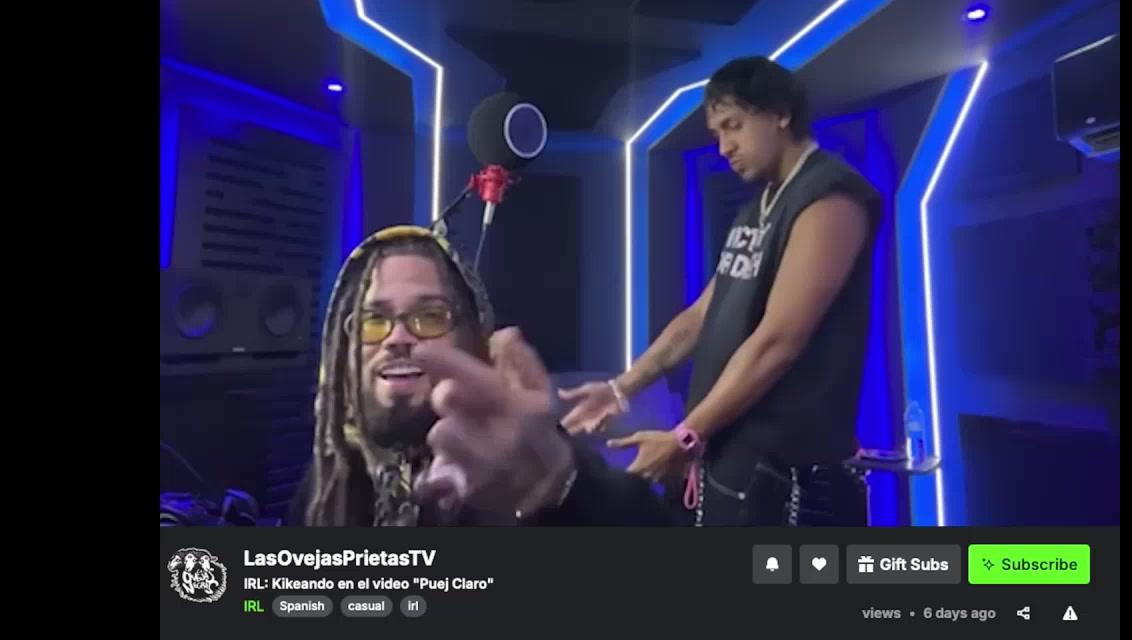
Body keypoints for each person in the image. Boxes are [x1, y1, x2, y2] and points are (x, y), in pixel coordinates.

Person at [560, 56, 879, 527]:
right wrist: (619, 389)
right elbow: (700, 316)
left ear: (780, 113)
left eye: (733, 126)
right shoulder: (755, 209)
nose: (724, 147)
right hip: (729, 461)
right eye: (717, 134)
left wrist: (685, 435)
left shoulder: (830, 196)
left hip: (789, 480)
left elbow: (778, 341)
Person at [289, 225, 671, 527]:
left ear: (472, 342)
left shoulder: (525, 454)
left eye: (430, 316)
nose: (397, 337)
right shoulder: (328, 482)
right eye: (374, 319)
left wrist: (560, 486)